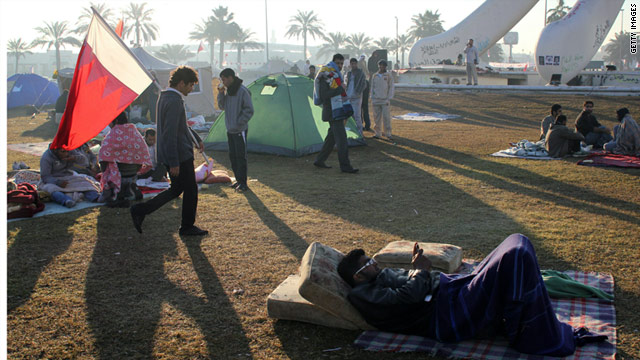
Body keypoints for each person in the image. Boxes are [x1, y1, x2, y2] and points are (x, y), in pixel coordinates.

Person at [338, 233, 606, 357]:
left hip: (448, 292)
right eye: (369, 264)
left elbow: (407, 290)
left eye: (372, 259)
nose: (375, 263)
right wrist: (419, 271)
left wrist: (418, 268)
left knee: (514, 243)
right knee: (514, 256)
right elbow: (408, 298)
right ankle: (536, 333)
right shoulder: (362, 296)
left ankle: (523, 309)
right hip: (444, 314)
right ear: (358, 277)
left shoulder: (372, 281)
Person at [130, 66, 208, 236]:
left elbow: (181, 125)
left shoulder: (165, 97)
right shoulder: (173, 101)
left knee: (176, 189)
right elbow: (170, 132)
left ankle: (141, 210)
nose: (191, 88)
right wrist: (174, 162)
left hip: (172, 153)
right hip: (179, 155)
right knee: (190, 190)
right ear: (181, 83)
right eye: (190, 85)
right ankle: (187, 226)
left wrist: (196, 137)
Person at [314, 54, 359, 173]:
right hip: (333, 112)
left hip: (335, 111)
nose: (339, 66)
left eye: (341, 64)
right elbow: (324, 95)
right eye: (338, 63)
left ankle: (319, 160)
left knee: (332, 138)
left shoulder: (335, 76)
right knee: (342, 139)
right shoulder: (327, 75)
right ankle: (345, 166)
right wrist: (340, 89)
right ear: (333, 62)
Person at [99, 112, 152, 206]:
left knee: (107, 166)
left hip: (118, 176)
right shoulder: (134, 132)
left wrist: (104, 171)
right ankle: (131, 190)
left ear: (116, 121)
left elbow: (103, 156)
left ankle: (118, 194)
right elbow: (143, 152)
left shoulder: (112, 135)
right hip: (133, 174)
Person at [218, 68, 255, 192]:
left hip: (240, 130)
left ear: (230, 78)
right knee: (233, 156)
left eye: (224, 79)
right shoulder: (228, 91)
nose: (223, 82)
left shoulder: (243, 91)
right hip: (230, 130)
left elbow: (249, 110)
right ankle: (238, 181)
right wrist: (220, 94)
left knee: (241, 156)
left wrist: (239, 123)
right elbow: (222, 106)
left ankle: (243, 182)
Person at [370, 59, 395, 141]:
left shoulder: (388, 75)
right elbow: (372, 87)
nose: (381, 67)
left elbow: (391, 87)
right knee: (376, 118)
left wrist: (389, 98)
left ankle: (388, 133)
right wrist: (372, 97)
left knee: (386, 117)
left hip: (385, 100)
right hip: (376, 99)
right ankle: (377, 133)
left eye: (383, 66)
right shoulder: (375, 75)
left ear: (385, 66)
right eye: (380, 65)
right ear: (378, 66)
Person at [346, 58, 367, 134]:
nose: (353, 65)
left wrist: (359, 92)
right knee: (350, 115)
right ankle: (353, 132)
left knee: (357, 115)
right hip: (348, 96)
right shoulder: (349, 73)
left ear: (357, 64)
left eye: (354, 63)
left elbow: (364, 84)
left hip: (357, 97)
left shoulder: (361, 73)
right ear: (350, 64)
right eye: (352, 64)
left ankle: (360, 132)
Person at [358, 55, 372, 132]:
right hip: (362, 93)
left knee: (363, 109)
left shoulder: (362, 64)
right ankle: (365, 124)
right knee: (363, 109)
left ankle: (366, 124)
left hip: (363, 93)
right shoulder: (362, 64)